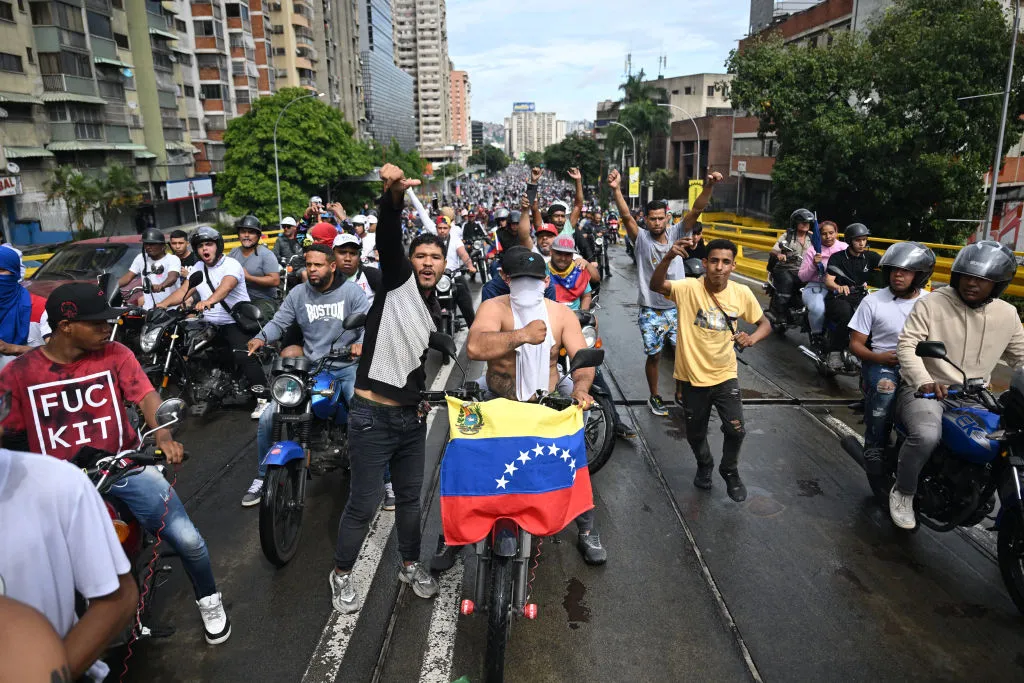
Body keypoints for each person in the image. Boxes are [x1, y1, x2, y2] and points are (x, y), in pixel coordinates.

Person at [0, 282, 231, 645]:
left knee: (188, 540)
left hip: (122, 466)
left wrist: (165, 436)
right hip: (57, 486)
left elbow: (146, 396)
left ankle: (209, 599)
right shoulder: (18, 373)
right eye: (97, 323)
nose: (108, 328)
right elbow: (6, 434)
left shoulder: (116, 354)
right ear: (64, 326)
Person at [331, 164, 442, 614]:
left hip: (410, 421)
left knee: (411, 502)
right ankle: (341, 575)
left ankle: (411, 564)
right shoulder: (398, 284)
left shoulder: (433, 304)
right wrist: (392, 197)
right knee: (364, 503)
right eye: (421, 256)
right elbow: (390, 238)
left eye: (436, 257)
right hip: (372, 418)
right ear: (410, 263)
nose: (428, 263)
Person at [464, 246, 607, 564]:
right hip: (499, 400)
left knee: (574, 460)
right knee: (464, 453)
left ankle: (586, 529)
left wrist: (582, 389)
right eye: (519, 280)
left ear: (545, 281)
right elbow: (474, 346)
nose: (528, 286)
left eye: (534, 279)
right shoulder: (494, 308)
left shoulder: (561, 314)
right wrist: (521, 335)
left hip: (546, 402)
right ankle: (450, 537)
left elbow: (582, 362)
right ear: (505, 278)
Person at [890, 240, 1024, 529]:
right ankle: (903, 491)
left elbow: (1022, 357)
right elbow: (907, 345)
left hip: (977, 396)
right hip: (927, 391)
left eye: (982, 280)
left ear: (998, 284)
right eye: (967, 276)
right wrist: (924, 381)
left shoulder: (1007, 314)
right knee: (926, 435)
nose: (972, 284)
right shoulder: (932, 302)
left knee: (1010, 440)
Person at [0, 436, 138, 683]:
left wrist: (46, 669)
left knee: (184, 537)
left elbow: (120, 597)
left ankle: (207, 596)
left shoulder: (56, 483)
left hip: (118, 464)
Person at [242, 244, 369, 506]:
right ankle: (263, 475)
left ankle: (385, 478)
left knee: (365, 413)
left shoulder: (352, 292)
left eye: (318, 265)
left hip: (346, 367)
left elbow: (369, 324)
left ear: (332, 266)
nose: (312, 270)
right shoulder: (299, 294)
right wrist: (260, 338)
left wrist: (360, 344)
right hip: (312, 368)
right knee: (269, 416)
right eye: (309, 264)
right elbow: (279, 321)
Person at [650, 238, 771, 502]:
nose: (719, 267)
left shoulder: (741, 293)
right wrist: (669, 256)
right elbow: (656, 285)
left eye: (726, 262)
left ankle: (729, 469)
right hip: (692, 378)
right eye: (714, 261)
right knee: (695, 434)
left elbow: (764, 324)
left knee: (736, 430)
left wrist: (751, 339)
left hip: (725, 374)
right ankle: (705, 464)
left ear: (733, 266)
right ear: (705, 263)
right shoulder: (688, 288)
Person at [609, 168, 724, 416]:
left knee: (684, 353)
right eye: (652, 219)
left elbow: (696, 210)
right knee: (655, 356)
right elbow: (626, 215)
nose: (657, 223)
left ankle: (681, 393)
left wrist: (709, 186)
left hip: (677, 308)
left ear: (668, 218)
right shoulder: (640, 239)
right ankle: (655, 396)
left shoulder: (677, 231)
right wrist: (617, 189)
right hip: (651, 309)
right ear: (646, 219)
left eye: (661, 218)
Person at [848, 242, 935, 475]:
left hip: (920, 365)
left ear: (919, 275)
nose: (898, 275)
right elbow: (855, 343)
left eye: (905, 271)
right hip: (883, 364)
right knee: (885, 389)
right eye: (894, 270)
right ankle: (874, 445)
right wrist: (877, 357)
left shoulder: (931, 303)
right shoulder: (873, 301)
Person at [158, 226, 268, 411]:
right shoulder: (198, 267)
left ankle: (264, 400)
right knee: (188, 351)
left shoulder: (231, 265)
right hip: (209, 324)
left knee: (244, 356)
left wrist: (209, 300)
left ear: (218, 246)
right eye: (200, 246)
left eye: (209, 244)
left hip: (235, 322)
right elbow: (183, 291)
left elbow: (226, 287)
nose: (204, 249)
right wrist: (161, 305)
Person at [822, 223, 881, 369]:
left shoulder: (870, 257)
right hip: (839, 297)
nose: (862, 243)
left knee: (876, 315)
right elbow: (829, 281)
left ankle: (867, 350)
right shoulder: (837, 258)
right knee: (846, 315)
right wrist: (839, 286)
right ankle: (834, 352)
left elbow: (889, 266)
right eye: (857, 240)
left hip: (860, 296)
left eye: (864, 239)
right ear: (850, 241)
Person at [798, 220, 847, 350]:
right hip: (817, 286)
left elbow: (855, 268)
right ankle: (817, 336)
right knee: (818, 308)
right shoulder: (813, 250)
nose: (828, 236)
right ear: (819, 236)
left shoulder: (844, 248)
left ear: (837, 233)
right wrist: (814, 265)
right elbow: (802, 276)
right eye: (824, 234)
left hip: (841, 286)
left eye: (831, 233)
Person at [0, 248, 46, 372]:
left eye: (1, 270)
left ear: (15, 272)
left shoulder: (40, 308)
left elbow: (61, 353)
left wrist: (13, 348)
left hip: (33, 384)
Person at [229, 216, 280, 321]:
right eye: (243, 232)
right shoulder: (233, 253)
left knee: (253, 324)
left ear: (258, 235)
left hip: (263, 300)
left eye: (251, 232)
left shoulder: (266, 254)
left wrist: (248, 277)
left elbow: (275, 280)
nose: (246, 235)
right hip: (238, 300)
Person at [767, 209, 813, 320]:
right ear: (795, 223)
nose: (805, 224)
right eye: (802, 222)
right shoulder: (787, 236)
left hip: (803, 269)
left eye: (807, 222)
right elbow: (774, 250)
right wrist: (779, 255)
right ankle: (779, 313)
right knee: (788, 282)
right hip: (785, 268)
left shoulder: (812, 237)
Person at [119, 228, 180, 310]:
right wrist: (110, 286)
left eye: (152, 244)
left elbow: (172, 277)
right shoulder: (140, 258)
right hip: (149, 309)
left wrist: (161, 286)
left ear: (162, 245)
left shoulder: (172, 259)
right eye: (146, 244)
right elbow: (128, 277)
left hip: (171, 308)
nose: (148, 247)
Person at [435, 214, 477, 326]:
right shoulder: (431, 241)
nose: (442, 231)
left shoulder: (455, 240)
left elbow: (463, 254)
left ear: (449, 228)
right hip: (436, 278)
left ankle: (474, 332)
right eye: (440, 228)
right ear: (436, 228)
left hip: (455, 276)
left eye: (445, 228)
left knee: (467, 306)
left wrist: (470, 266)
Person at [334, 233, 382, 304]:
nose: (348, 258)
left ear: (359, 257)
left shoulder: (373, 275)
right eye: (342, 253)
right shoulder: (325, 278)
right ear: (333, 254)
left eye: (353, 253)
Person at [548, 235, 592, 311]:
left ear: (572, 254)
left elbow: (586, 296)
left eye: (568, 254)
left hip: (576, 316)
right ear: (551, 252)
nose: (563, 258)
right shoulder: (541, 271)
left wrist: (583, 313)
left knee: (594, 322)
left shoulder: (580, 270)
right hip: (550, 317)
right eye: (559, 253)